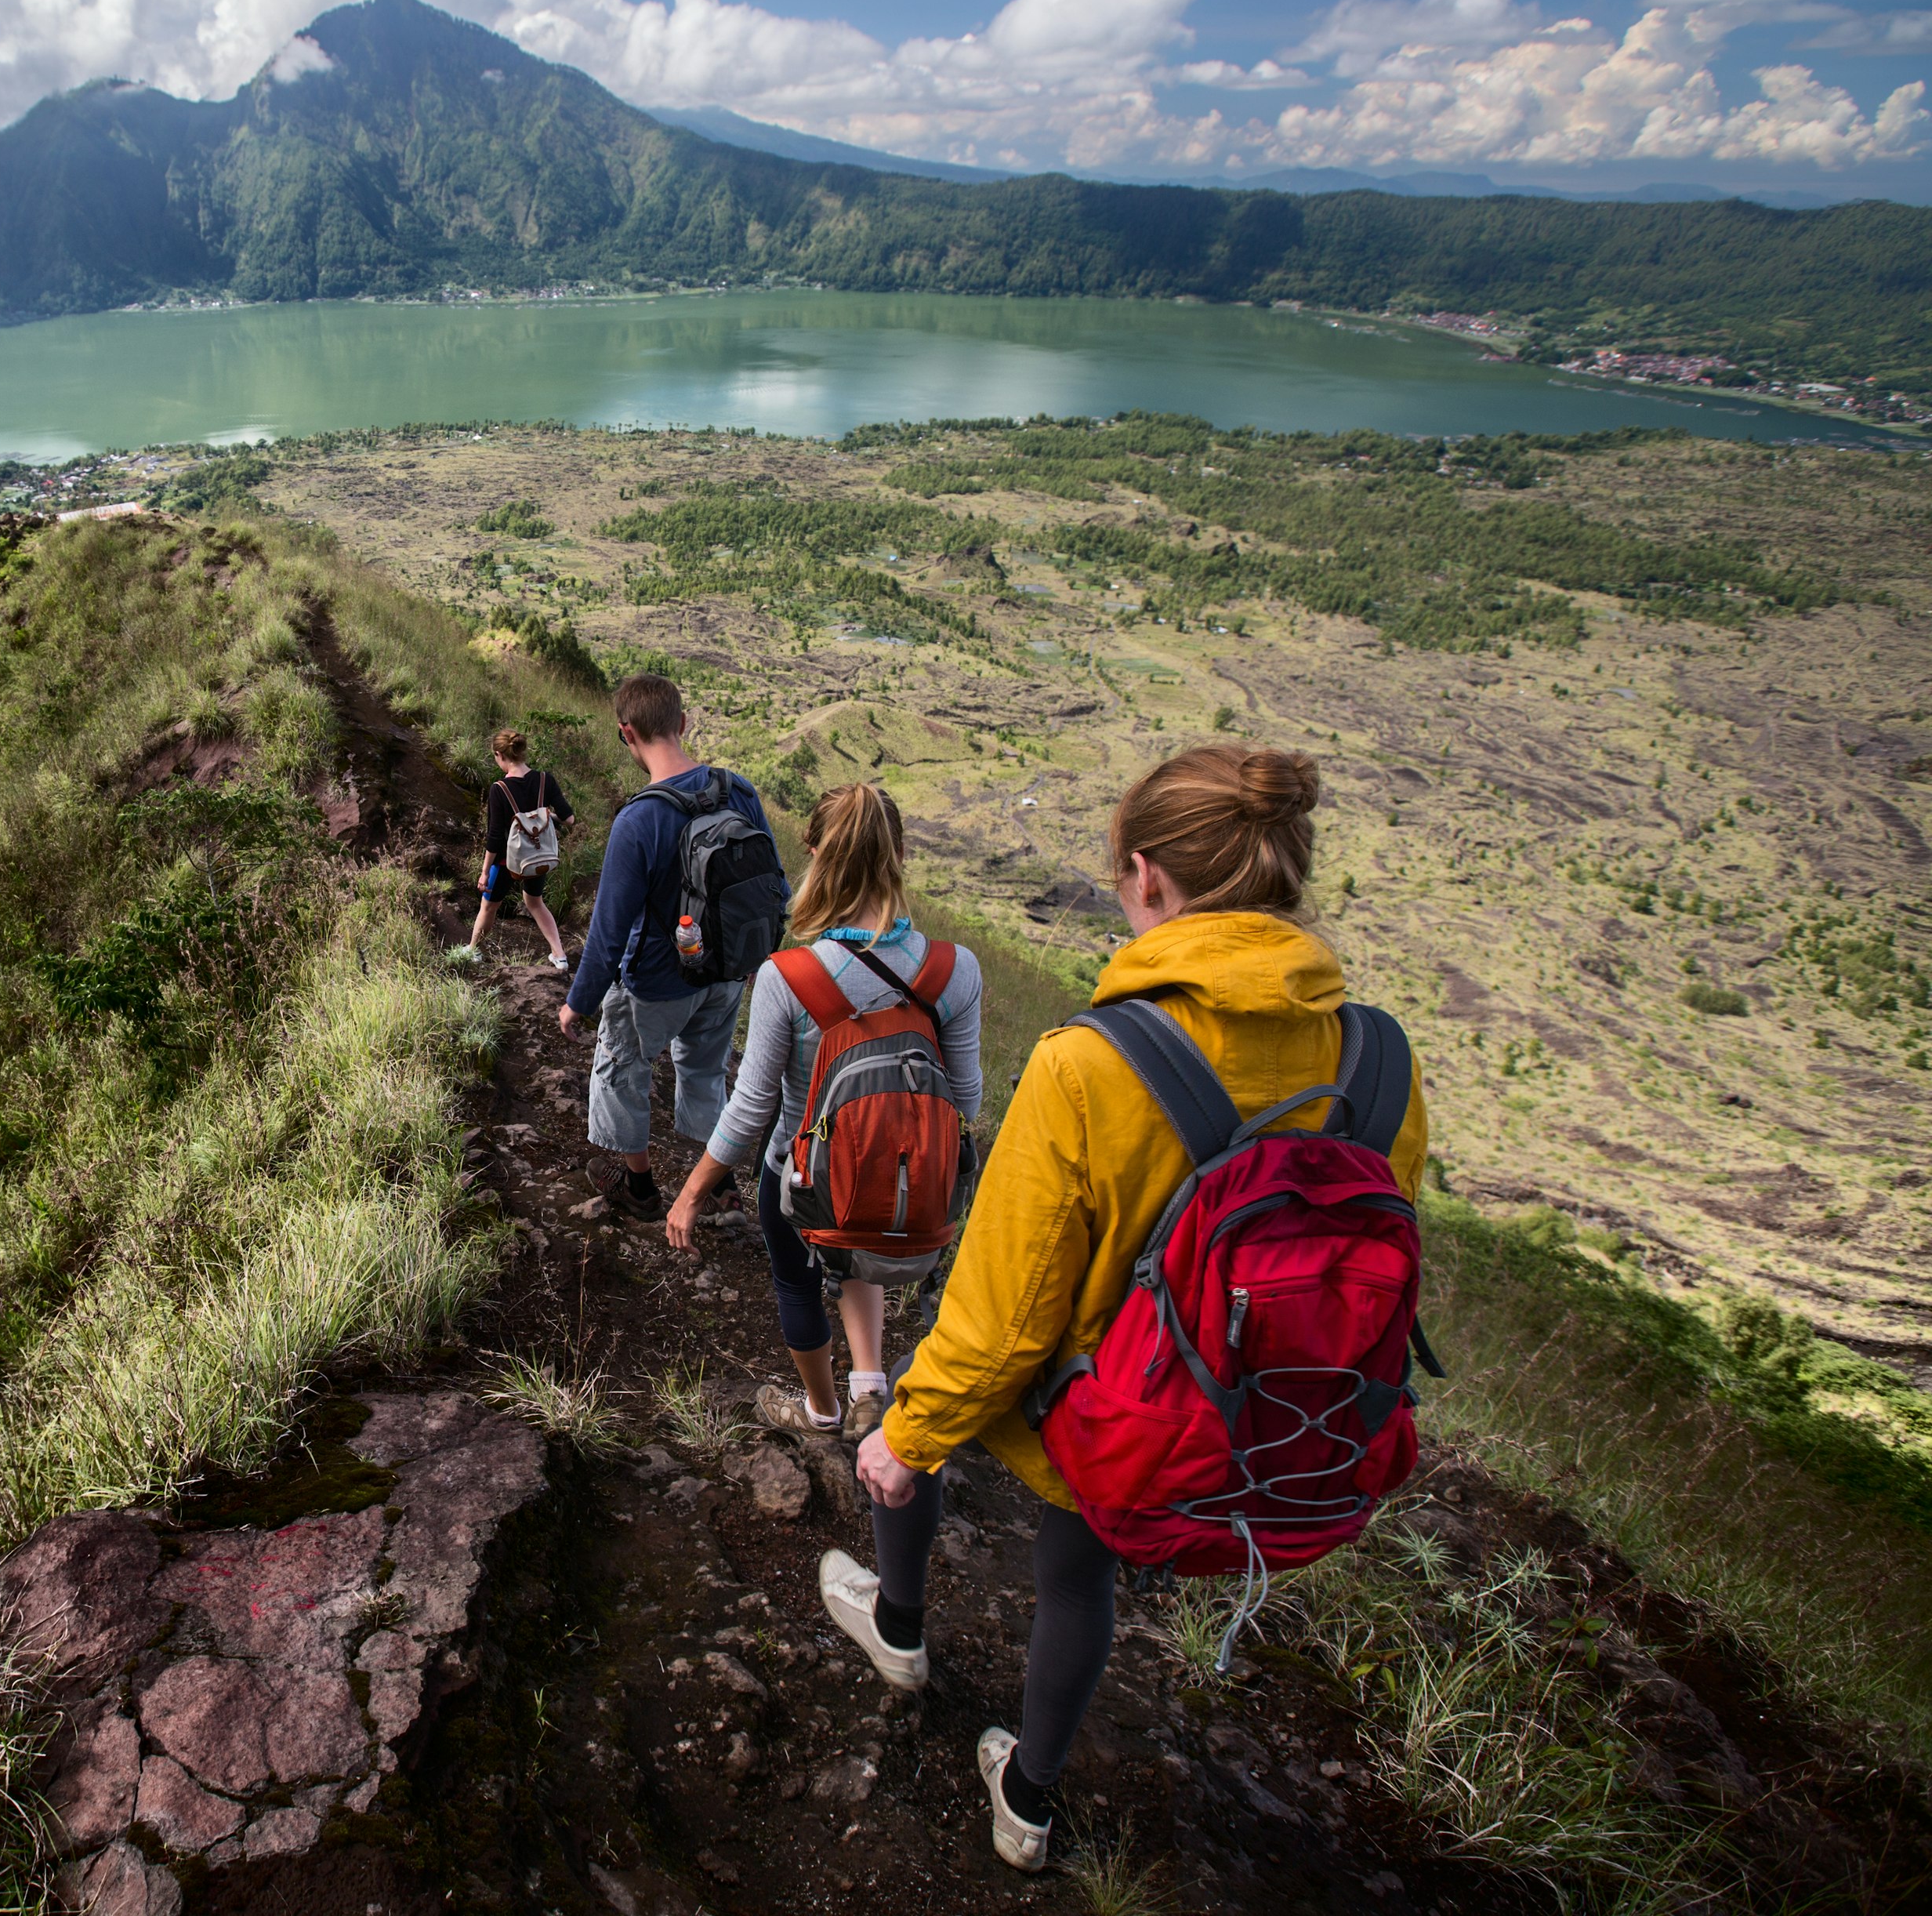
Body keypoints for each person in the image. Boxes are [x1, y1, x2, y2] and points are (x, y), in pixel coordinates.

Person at [839, 744, 1430, 1873]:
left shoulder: (1090, 1066)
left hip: (1111, 1421)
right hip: (1261, 1422)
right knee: (1080, 1575)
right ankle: (1030, 1799)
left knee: (932, 1419)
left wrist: (908, 1441)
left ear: (1147, 878)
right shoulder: (1381, 1062)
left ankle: (900, 1628)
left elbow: (1003, 1317)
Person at [663, 783, 981, 1447]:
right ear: (901, 854)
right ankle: (872, 1385)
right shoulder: (956, 971)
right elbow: (968, 1101)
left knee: (799, 1282)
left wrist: (691, 1192)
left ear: (813, 854)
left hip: (801, 1179)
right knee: (860, 1247)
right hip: (903, 1183)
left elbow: (751, 1107)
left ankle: (822, 1410)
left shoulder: (790, 974)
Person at [557, 673, 776, 1220]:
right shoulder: (739, 791)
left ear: (626, 733)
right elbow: (775, 889)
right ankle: (719, 1187)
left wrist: (578, 1003)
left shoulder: (639, 820)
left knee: (621, 1067)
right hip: (727, 975)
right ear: (682, 723)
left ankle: (638, 1187)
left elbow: (610, 933)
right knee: (705, 1071)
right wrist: (754, 959)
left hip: (657, 984)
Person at [466, 728, 575, 970]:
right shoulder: (545, 780)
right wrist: (545, 817)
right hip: (539, 858)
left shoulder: (499, 789)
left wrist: (485, 872)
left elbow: (495, 837)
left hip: (508, 862)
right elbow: (569, 820)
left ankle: (473, 950)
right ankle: (559, 956)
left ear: (499, 754)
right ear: (523, 752)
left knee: (489, 906)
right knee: (535, 902)